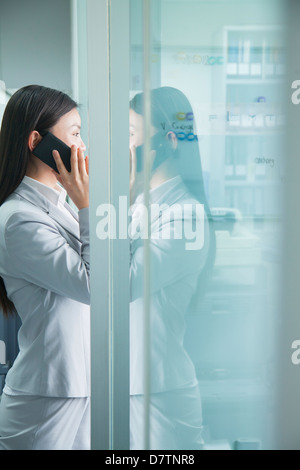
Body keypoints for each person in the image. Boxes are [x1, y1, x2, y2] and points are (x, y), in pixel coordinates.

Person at [0, 85, 90, 450]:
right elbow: (92, 285)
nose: (81, 146)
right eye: (75, 134)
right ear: (37, 140)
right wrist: (89, 205)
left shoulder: (59, 204)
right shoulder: (18, 219)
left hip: (77, 385)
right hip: (48, 394)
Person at [129, 86, 216, 450]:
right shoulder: (139, 206)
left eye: (132, 135)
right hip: (132, 386)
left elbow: (123, 283)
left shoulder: (187, 216)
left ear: (167, 141)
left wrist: (126, 190)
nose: (125, 146)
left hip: (160, 396)